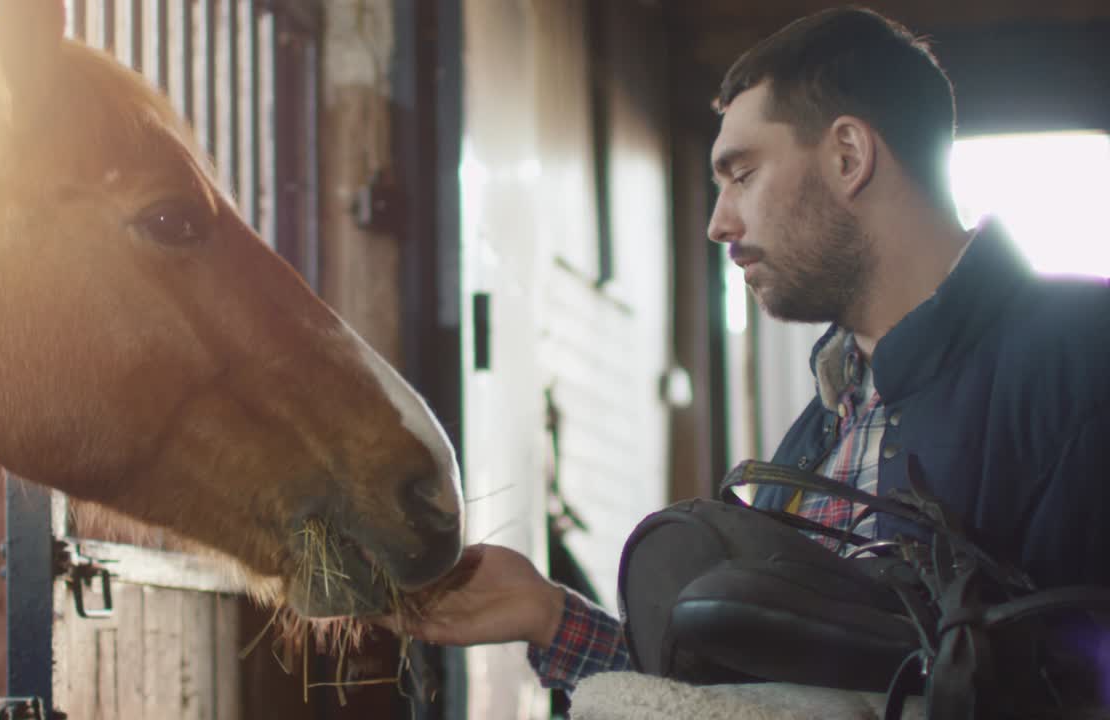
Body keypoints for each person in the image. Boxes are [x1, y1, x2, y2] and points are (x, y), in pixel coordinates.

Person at [392, 6, 1110, 695]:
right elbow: (750, 702)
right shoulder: (813, 441)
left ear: (849, 155)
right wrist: (548, 616)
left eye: (742, 175)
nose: (718, 223)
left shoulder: (1084, 361)